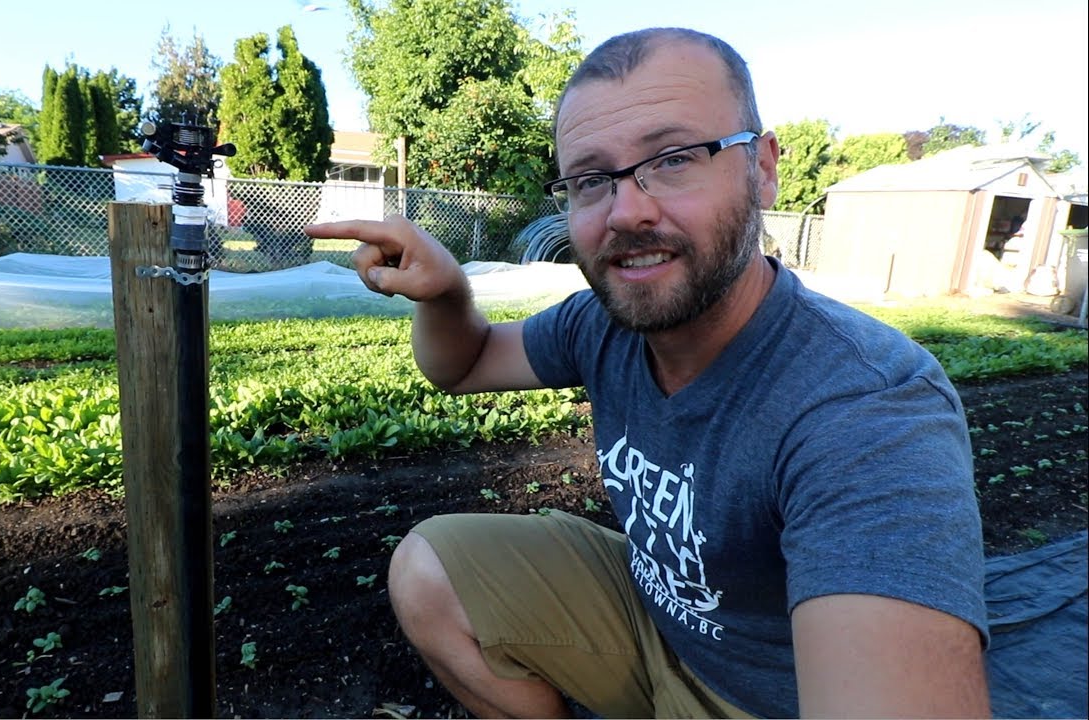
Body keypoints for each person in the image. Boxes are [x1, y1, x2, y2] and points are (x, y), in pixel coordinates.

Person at [305, 27, 989, 719]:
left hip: (759, 700)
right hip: (659, 627)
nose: (627, 211)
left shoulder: (866, 410)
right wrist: (448, 294)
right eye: (591, 180)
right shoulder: (604, 325)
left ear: (762, 168)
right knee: (432, 571)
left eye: (674, 159)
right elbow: (469, 362)